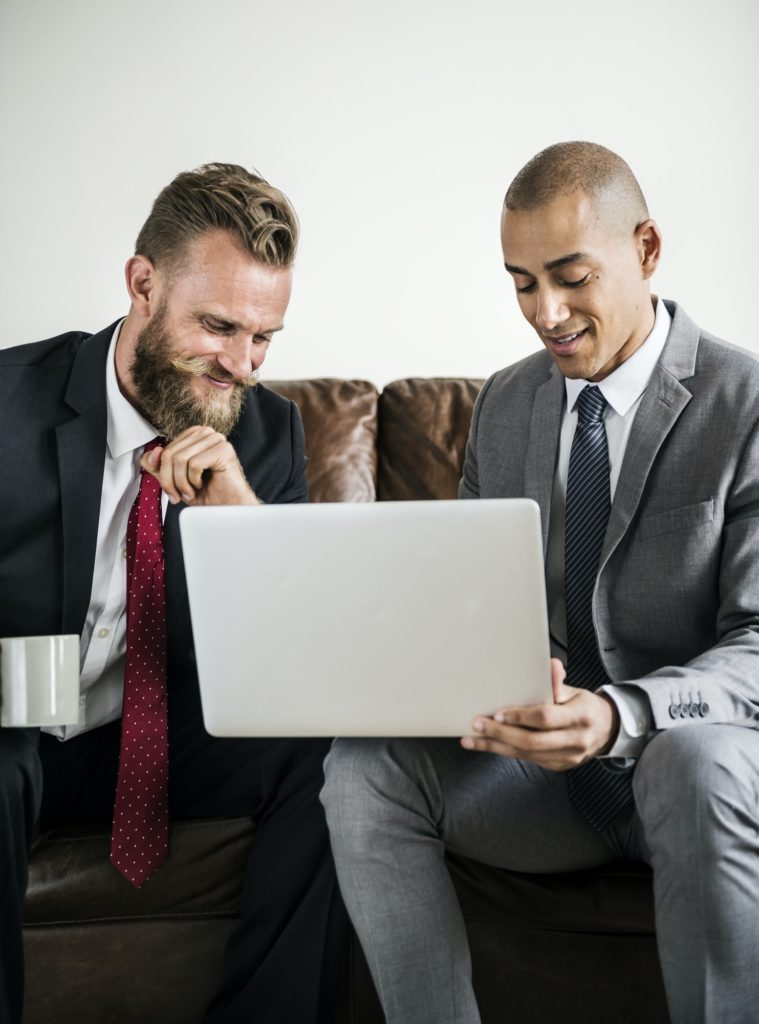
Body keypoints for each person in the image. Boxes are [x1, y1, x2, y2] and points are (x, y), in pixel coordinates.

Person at [321, 141, 759, 1024]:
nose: (545, 313)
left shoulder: (742, 400)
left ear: (645, 250)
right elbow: (470, 606)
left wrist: (618, 714)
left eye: (569, 276)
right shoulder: (508, 403)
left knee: (694, 761)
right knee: (362, 767)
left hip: (692, 765)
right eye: (521, 282)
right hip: (545, 784)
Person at [0, 163, 347, 1024]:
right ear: (142, 284)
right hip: (15, 733)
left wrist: (238, 516)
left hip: (154, 738)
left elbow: (291, 668)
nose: (241, 363)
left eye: (264, 335)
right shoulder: (9, 402)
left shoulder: (266, 431)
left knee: (338, 758)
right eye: (219, 326)